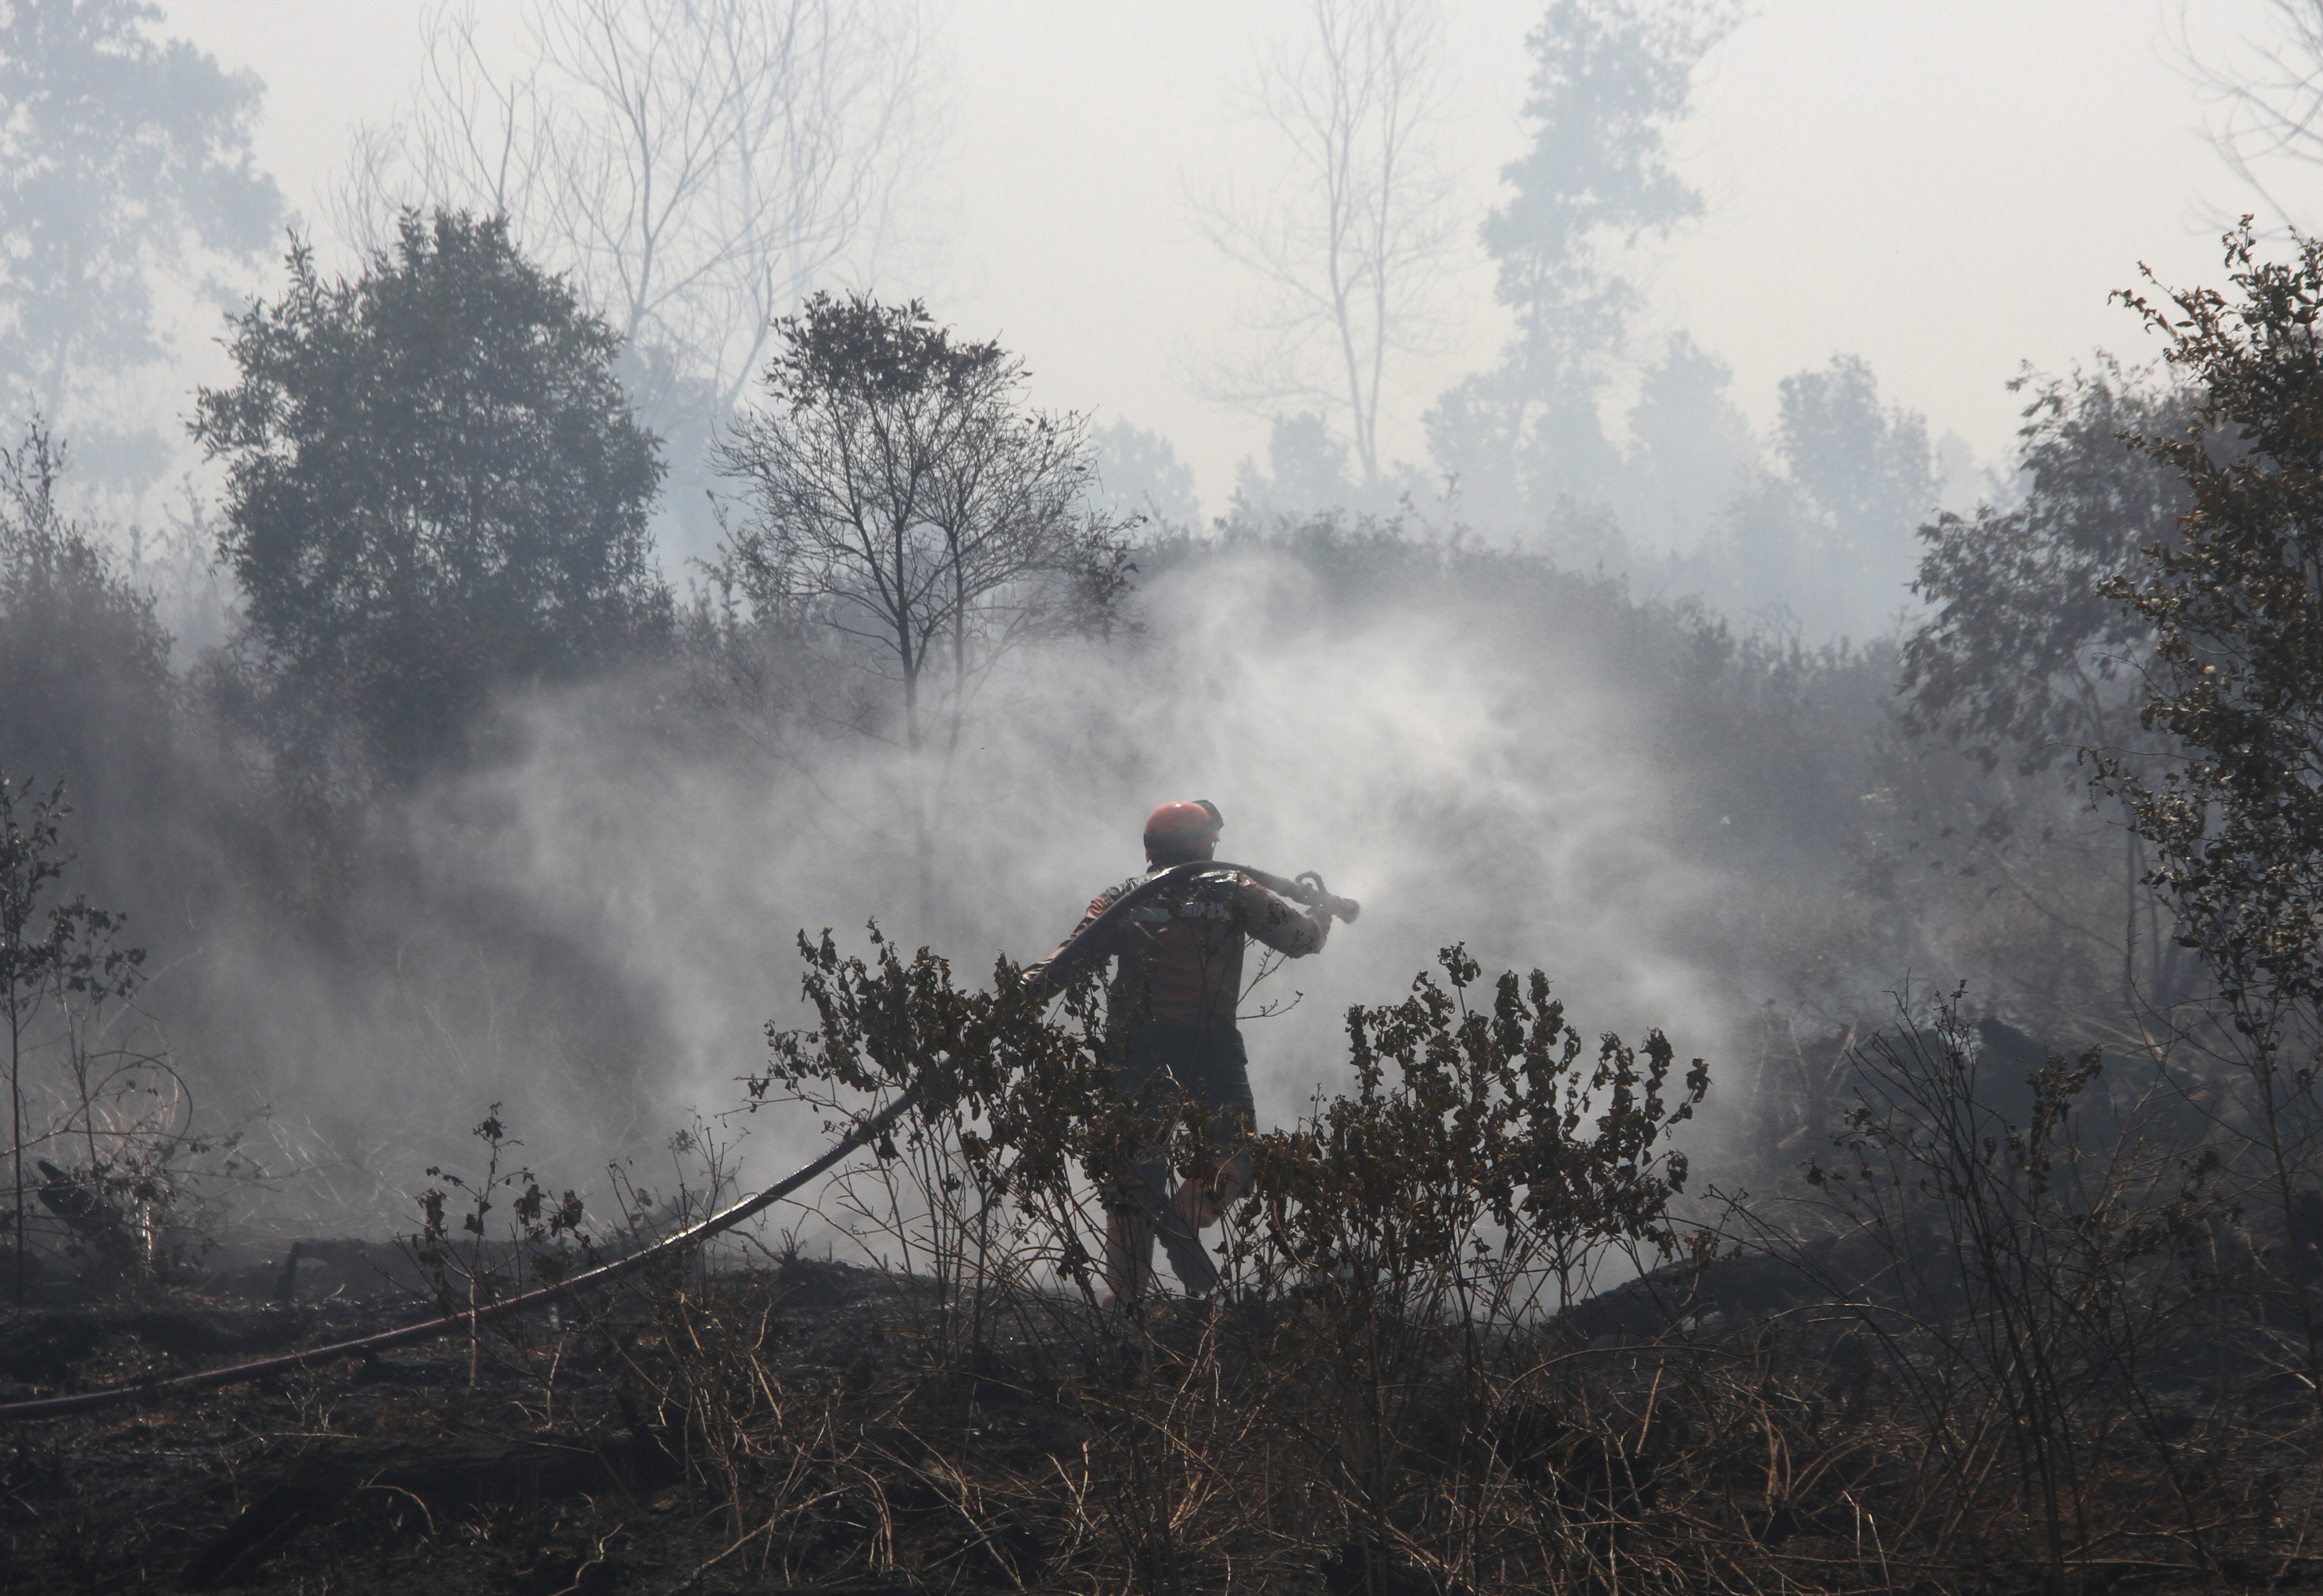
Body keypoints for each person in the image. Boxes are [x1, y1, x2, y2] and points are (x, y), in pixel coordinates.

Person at [1022, 799, 1337, 1305]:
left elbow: (1068, 960)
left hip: (1135, 1049)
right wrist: (1323, 913)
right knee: (1236, 1149)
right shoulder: (1233, 889)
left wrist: (1017, 995)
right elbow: (1301, 939)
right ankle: (1184, 1217)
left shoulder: (1121, 898)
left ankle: (1125, 1299)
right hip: (1210, 1043)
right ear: (1205, 843)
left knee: (1134, 1173)